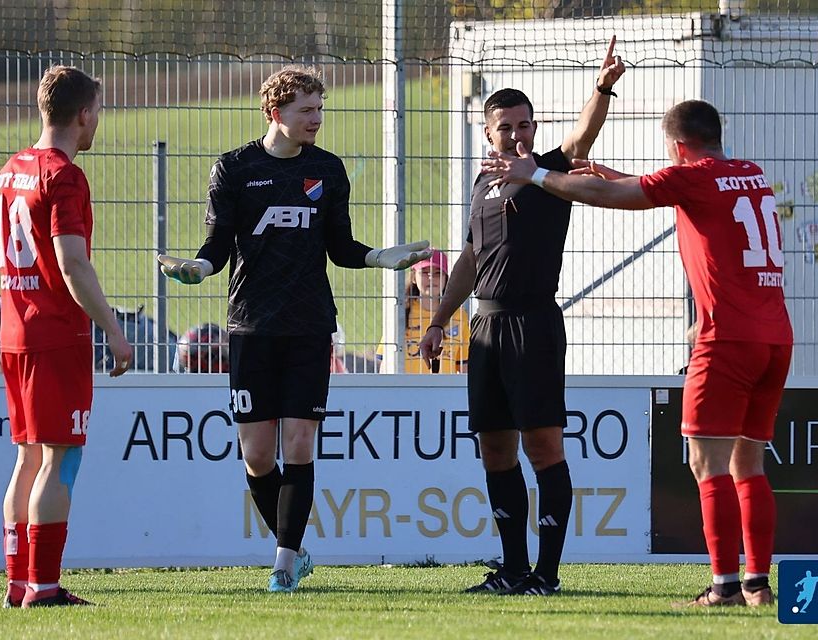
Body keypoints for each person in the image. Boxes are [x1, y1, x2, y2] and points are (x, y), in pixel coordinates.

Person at [482, 99, 792, 607]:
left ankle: (725, 588)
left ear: (676, 147)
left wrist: (535, 175)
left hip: (726, 340)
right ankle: (757, 584)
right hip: (775, 337)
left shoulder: (691, 178)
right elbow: (664, 188)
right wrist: (612, 173)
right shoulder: (748, 174)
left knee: (706, 463)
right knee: (750, 464)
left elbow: (608, 195)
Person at [156, 65, 430, 593]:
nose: (317, 119)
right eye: (307, 110)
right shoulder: (234, 169)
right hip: (250, 327)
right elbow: (215, 249)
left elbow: (341, 248)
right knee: (258, 454)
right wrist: (197, 269)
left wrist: (378, 257)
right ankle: (298, 549)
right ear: (275, 112)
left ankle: (283, 564)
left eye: (320, 109)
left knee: (300, 443)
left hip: (308, 326)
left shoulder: (327, 170)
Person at [418, 37, 626, 596]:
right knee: (495, 449)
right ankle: (511, 570)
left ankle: (547, 574)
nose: (517, 134)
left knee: (544, 448)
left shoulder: (548, 172)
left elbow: (583, 135)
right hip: (484, 327)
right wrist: (439, 321)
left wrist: (602, 87)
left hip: (533, 324)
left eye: (525, 124)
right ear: (488, 133)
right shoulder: (482, 184)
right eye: (506, 126)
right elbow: (469, 258)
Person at [0, 65, 133, 608]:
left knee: (28, 459)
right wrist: (115, 331)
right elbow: (72, 263)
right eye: (98, 111)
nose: (99, 121)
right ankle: (43, 589)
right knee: (60, 460)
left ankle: (18, 582)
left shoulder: (11, 170)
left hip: (14, 332)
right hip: (54, 336)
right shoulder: (64, 176)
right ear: (83, 114)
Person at [376, 249, 470, 373]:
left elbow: (464, 366)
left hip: (443, 390)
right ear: (414, 277)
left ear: (446, 278)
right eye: (424, 272)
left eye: (437, 273)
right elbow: (385, 363)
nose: (431, 277)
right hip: (406, 389)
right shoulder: (400, 313)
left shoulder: (458, 315)